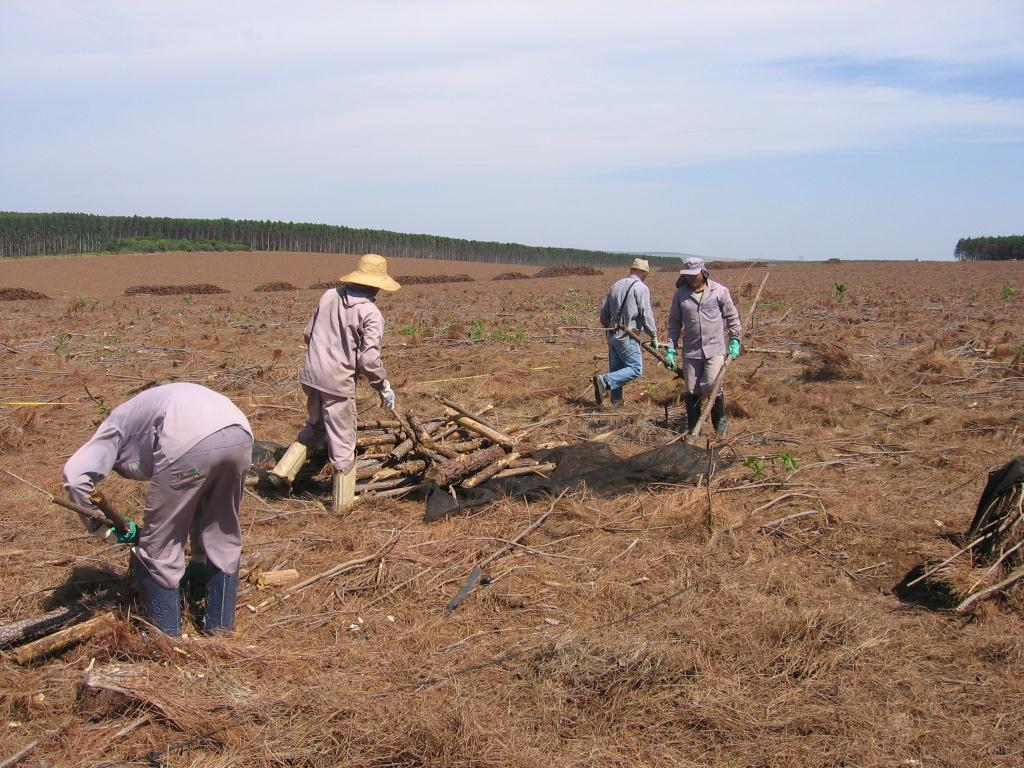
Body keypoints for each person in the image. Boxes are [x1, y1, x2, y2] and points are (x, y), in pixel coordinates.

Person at [62, 382, 253, 636]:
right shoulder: (145, 412)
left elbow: (75, 477)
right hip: (239, 435)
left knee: (158, 546)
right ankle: (220, 627)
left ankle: (164, 636)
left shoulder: (113, 428)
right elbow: (196, 498)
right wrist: (198, 559)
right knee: (223, 532)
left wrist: (105, 530)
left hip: (188, 439)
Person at [267, 253, 400, 510]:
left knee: (316, 425)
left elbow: (308, 334)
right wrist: (383, 386)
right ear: (377, 285)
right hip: (337, 383)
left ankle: (283, 471)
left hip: (311, 375)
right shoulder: (371, 313)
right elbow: (369, 360)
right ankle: (343, 507)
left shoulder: (329, 296)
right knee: (343, 441)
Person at [666, 257, 742, 434]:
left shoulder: (719, 291)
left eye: (695, 275)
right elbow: (674, 324)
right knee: (691, 389)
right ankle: (694, 428)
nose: (691, 278)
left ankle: (720, 423)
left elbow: (732, 317)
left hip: (714, 348)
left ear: (703, 272)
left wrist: (735, 339)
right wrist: (670, 348)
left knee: (711, 385)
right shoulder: (680, 295)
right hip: (691, 351)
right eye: (688, 275)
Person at [594, 258, 658, 406]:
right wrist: (653, 334)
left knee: (617, 368)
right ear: (643, 272)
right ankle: (604, 381)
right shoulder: (641, 288)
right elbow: (646, 314)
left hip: (612, 334)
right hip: (628, 334)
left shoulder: (615, 285)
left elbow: (604, 314)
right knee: (635, 368)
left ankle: (617, 401)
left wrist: (610, 326)